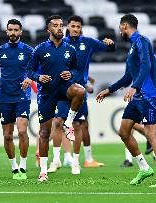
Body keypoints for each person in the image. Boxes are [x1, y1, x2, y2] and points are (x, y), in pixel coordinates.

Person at [96, 14, 156, 187]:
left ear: (124, 26)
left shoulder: (141, 41)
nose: (119, 30)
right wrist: (109, 90)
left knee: (151, 134)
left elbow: (147, 65)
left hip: (148, 94)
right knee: (124, 132)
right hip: (138, 96)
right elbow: (128, 76)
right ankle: (144, 168)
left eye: (119, 27)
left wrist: (135, 87)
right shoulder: (132, 47)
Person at [47, 15, 115, 174]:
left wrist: (110, 44)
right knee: (57, 122)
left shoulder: (88, 42)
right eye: (72, 26)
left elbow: (108, 49)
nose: (75, 29)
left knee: (79, 125)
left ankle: (77, 161)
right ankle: (57, 160)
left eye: (78, 27)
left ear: (81, 28)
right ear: (67, 27)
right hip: (63, 89)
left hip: (79, 91)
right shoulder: (61, 43)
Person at [26, 15, 85, 182]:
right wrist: (38, 77)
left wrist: (70, 74)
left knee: (80, 91)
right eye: (56, 25)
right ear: (48, 30)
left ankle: (68, 123)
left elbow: (75, 70)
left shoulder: (70, 49)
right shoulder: (39, 49)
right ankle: (43, 171)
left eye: (61, 25)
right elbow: (29, 71)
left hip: (64, 88)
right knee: (44, 132)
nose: (60, 28)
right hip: (47, 92)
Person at [0, 19, 33, 180]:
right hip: (5, 97)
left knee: (22, 131)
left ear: (21, 32)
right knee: (7, 135)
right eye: (10, 30)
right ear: (6, 32)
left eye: (16, 30)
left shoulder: (29, 51)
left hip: (22, 96)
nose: (13, 32)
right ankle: (14, 167)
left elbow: (36, 69)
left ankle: (23, 165)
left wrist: (30, 78)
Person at [121, 54, 156, 167]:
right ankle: (129, 159)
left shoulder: (153, 58)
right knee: (129, 126)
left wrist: (155, 87)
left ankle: (132, 159)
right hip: (136, 96)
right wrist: (123, 84)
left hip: (148, 98)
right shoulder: (131, 57)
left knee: (148, 131)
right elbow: (128, 77)